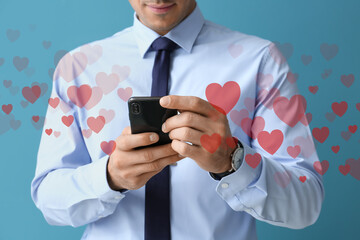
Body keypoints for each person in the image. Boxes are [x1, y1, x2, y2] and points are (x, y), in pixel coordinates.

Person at [31, 0, 324, 239]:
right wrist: (110, 177)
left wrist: (231, 161)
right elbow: (47, 198)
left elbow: (307, 205)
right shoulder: (78, 68)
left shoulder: (260, 61)